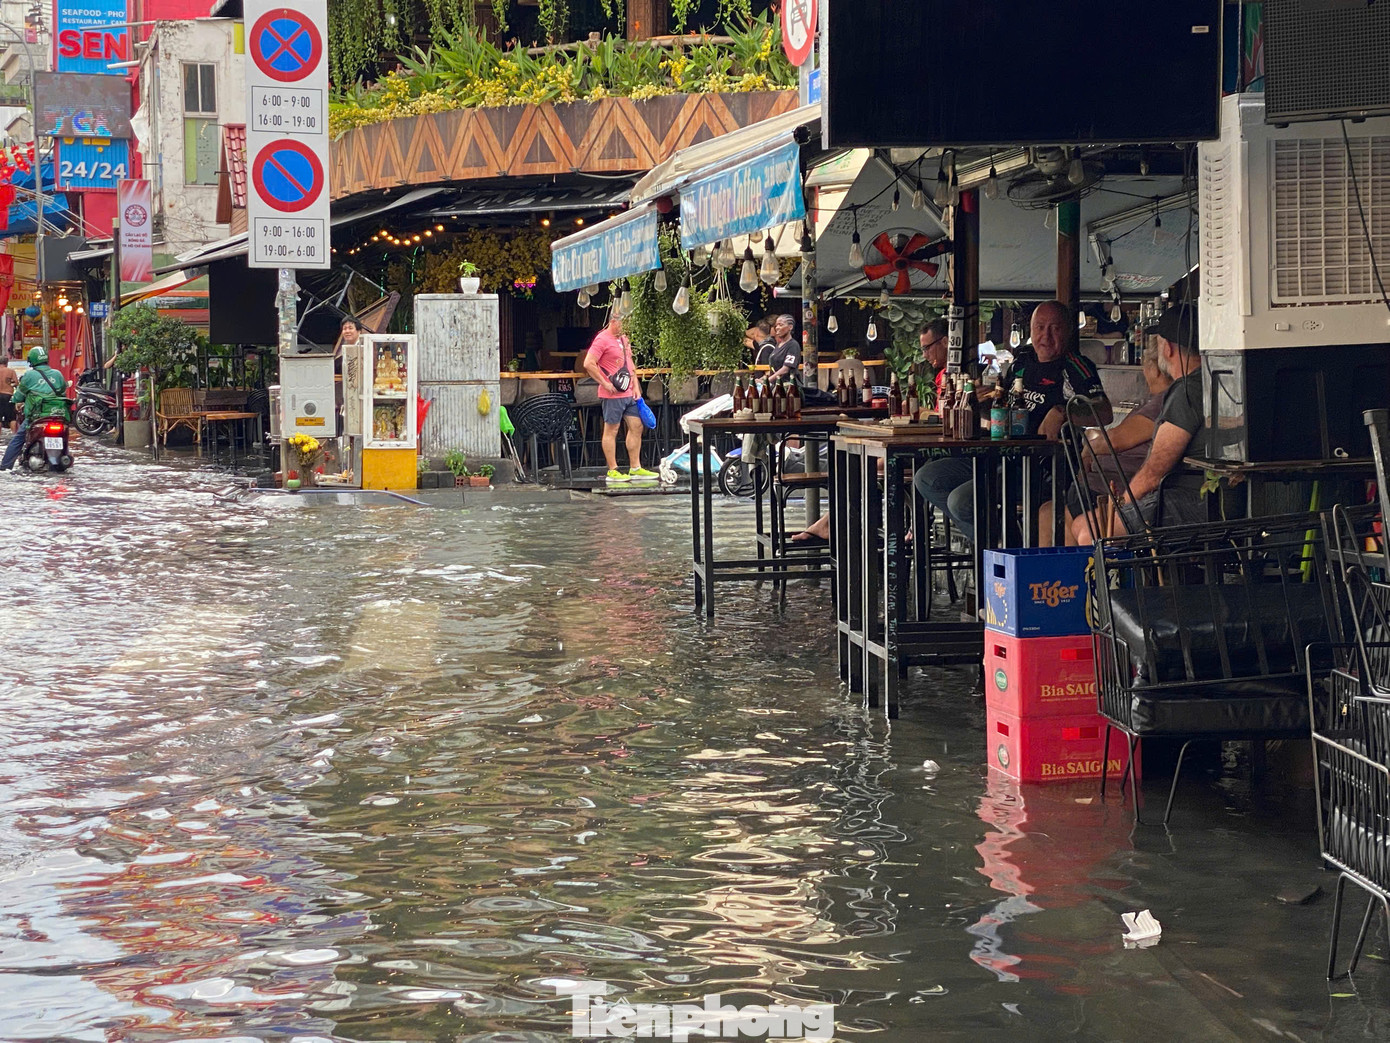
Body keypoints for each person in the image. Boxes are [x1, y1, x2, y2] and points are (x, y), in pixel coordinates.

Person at [912, 300, 1112, 542]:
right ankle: (1000, 539)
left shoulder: (1075, 365)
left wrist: (1062, 411)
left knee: (962, 501)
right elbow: (1003, 407)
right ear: (1030, 330)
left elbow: (1104, 412)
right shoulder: (1022, 360)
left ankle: (1001, 549)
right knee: (927, 477)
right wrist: (978, 403)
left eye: (1055, 328)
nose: (1045, 336)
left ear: (1068, 331)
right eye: (1039, 328)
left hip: (1042, 469)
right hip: (1002, 457)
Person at [1074, 303, 1206, 543]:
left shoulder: (1188, 390)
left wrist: (1121, 506)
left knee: (1089, 532)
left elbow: (1154, 472)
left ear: (1168, 348)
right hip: (1211, 498)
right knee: (1083, 523)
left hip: (1193, 503)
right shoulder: (1212, 380)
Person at [1044, 343, 1170, 544]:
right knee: (1048, 512)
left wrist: (1088, 447)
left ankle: (1072, 574)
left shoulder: (1163, 402)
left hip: (1112, 488)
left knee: (1053, 517)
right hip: (1104, 483)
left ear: (1154, 368)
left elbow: (1116, 440)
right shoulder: (1157, 401)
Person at [584, 310, 657, 483]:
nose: (627, 327)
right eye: (625, 323)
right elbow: (588, 363)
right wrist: (605, 383)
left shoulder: (624, 339)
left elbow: (630, 364)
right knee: (612, 429)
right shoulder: (602, 339)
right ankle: (613, 469)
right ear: (613, 321)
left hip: (629, 392)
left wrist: (636, 386)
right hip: (612, 395)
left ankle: (635, 468)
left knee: (637, 425)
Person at [2, 347, 71, 471]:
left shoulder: (29, 375)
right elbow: (62, 392)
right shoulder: (58, 374)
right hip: (59, 416)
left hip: (37, 417)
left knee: (18, 439)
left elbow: (18, 396)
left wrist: (16, 400)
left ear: (31, 361)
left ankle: (5, 466)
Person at [765, 314, 802, 383]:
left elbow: (785, 369)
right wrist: (762, 379)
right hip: (776, 384)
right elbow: (774, 370)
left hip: (788, 386)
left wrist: (768, 380)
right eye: (776, 325)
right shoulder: (778, 345)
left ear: (790, 327)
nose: (777, 328)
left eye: (781, 325)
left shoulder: (793, 345)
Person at [0, 352, 17, 433]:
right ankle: (14, 436)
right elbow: (16, 383)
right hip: (8, 395)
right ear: (7, 363)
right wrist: (10, 383)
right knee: (12, 418)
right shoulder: (10, 371)